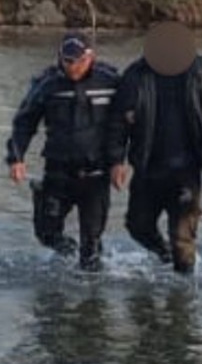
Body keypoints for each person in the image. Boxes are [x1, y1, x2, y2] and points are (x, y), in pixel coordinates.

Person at [106, 22, 202, 275]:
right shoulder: (135, 75)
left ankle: (184, 294)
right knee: (138, 226)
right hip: (147, 168)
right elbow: (117, 121)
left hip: (187, 170)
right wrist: (116, 161)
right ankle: (164, 255)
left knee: (182, 239)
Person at [6, 32, 120, 271]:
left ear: (91, 57)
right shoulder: (47, 84)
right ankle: (68, 254)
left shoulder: (110, 81)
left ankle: (91, 288)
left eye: (78, 61)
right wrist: (16, 158)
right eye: (67, 61)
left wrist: (123, 160)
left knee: (91, 252)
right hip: (59, 171)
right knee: (46, 233)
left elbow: (133, 119)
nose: (72, 68)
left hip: (96, 174)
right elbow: (24, 122)